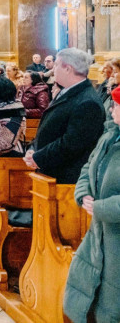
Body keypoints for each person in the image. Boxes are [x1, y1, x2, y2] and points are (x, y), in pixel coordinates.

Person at [63, 85, 120, 323]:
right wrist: (84, 193)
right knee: (91, 299)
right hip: (99, 234)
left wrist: (100, 208)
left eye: (116, 105)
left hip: (115, 236)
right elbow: (89, 165)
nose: (111, 109)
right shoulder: (110, 135)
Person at [23, 48, 104, 184]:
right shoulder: (66, 91)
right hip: (50, 172)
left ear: (68, 69)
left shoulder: (88, 102)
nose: (53, 70)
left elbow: (72, 143)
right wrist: (33, 149)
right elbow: (49, 127)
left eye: (56, 65)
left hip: (65, 178)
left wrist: (39, 157)